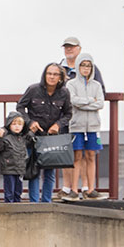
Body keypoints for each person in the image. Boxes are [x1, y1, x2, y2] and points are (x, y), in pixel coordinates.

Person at [18, 64, 73, 203]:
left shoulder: (64, 92)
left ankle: (47, 201)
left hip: (52, 138)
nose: (52, 77)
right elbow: (20, 106)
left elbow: (68, 113)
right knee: (34, 171)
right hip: (34, 137)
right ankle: (34, 203)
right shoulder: (33, 89)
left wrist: (58, 125)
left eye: (55, 74)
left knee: (50, 173)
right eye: (49, 74)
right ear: (44, 75)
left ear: (60, 77)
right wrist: (30, 122)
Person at [66, 54, 105, 199]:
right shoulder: (71, 84)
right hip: (77, 126)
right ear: (78, 66)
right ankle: (74, 189)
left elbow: (100, 103)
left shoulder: (96, 85)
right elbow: (73, 101)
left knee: (90, 156)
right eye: (83, 65)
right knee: (77, 156)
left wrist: (84, 103)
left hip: (93, 126)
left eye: (88, 65)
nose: (86, 68)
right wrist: (90, 101)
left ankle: (90, 189)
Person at [0, 111, 34, 203]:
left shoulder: (22, 138)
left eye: (20, 124)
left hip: (20, 169)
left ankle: (17, 206)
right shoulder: (6, 137)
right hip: (9, 168)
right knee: (9, 191)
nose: (17, 126)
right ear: (9, 125)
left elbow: (28, 141)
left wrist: (32, 133)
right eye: (14, 124)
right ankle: (9, 208)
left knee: (18, 191)